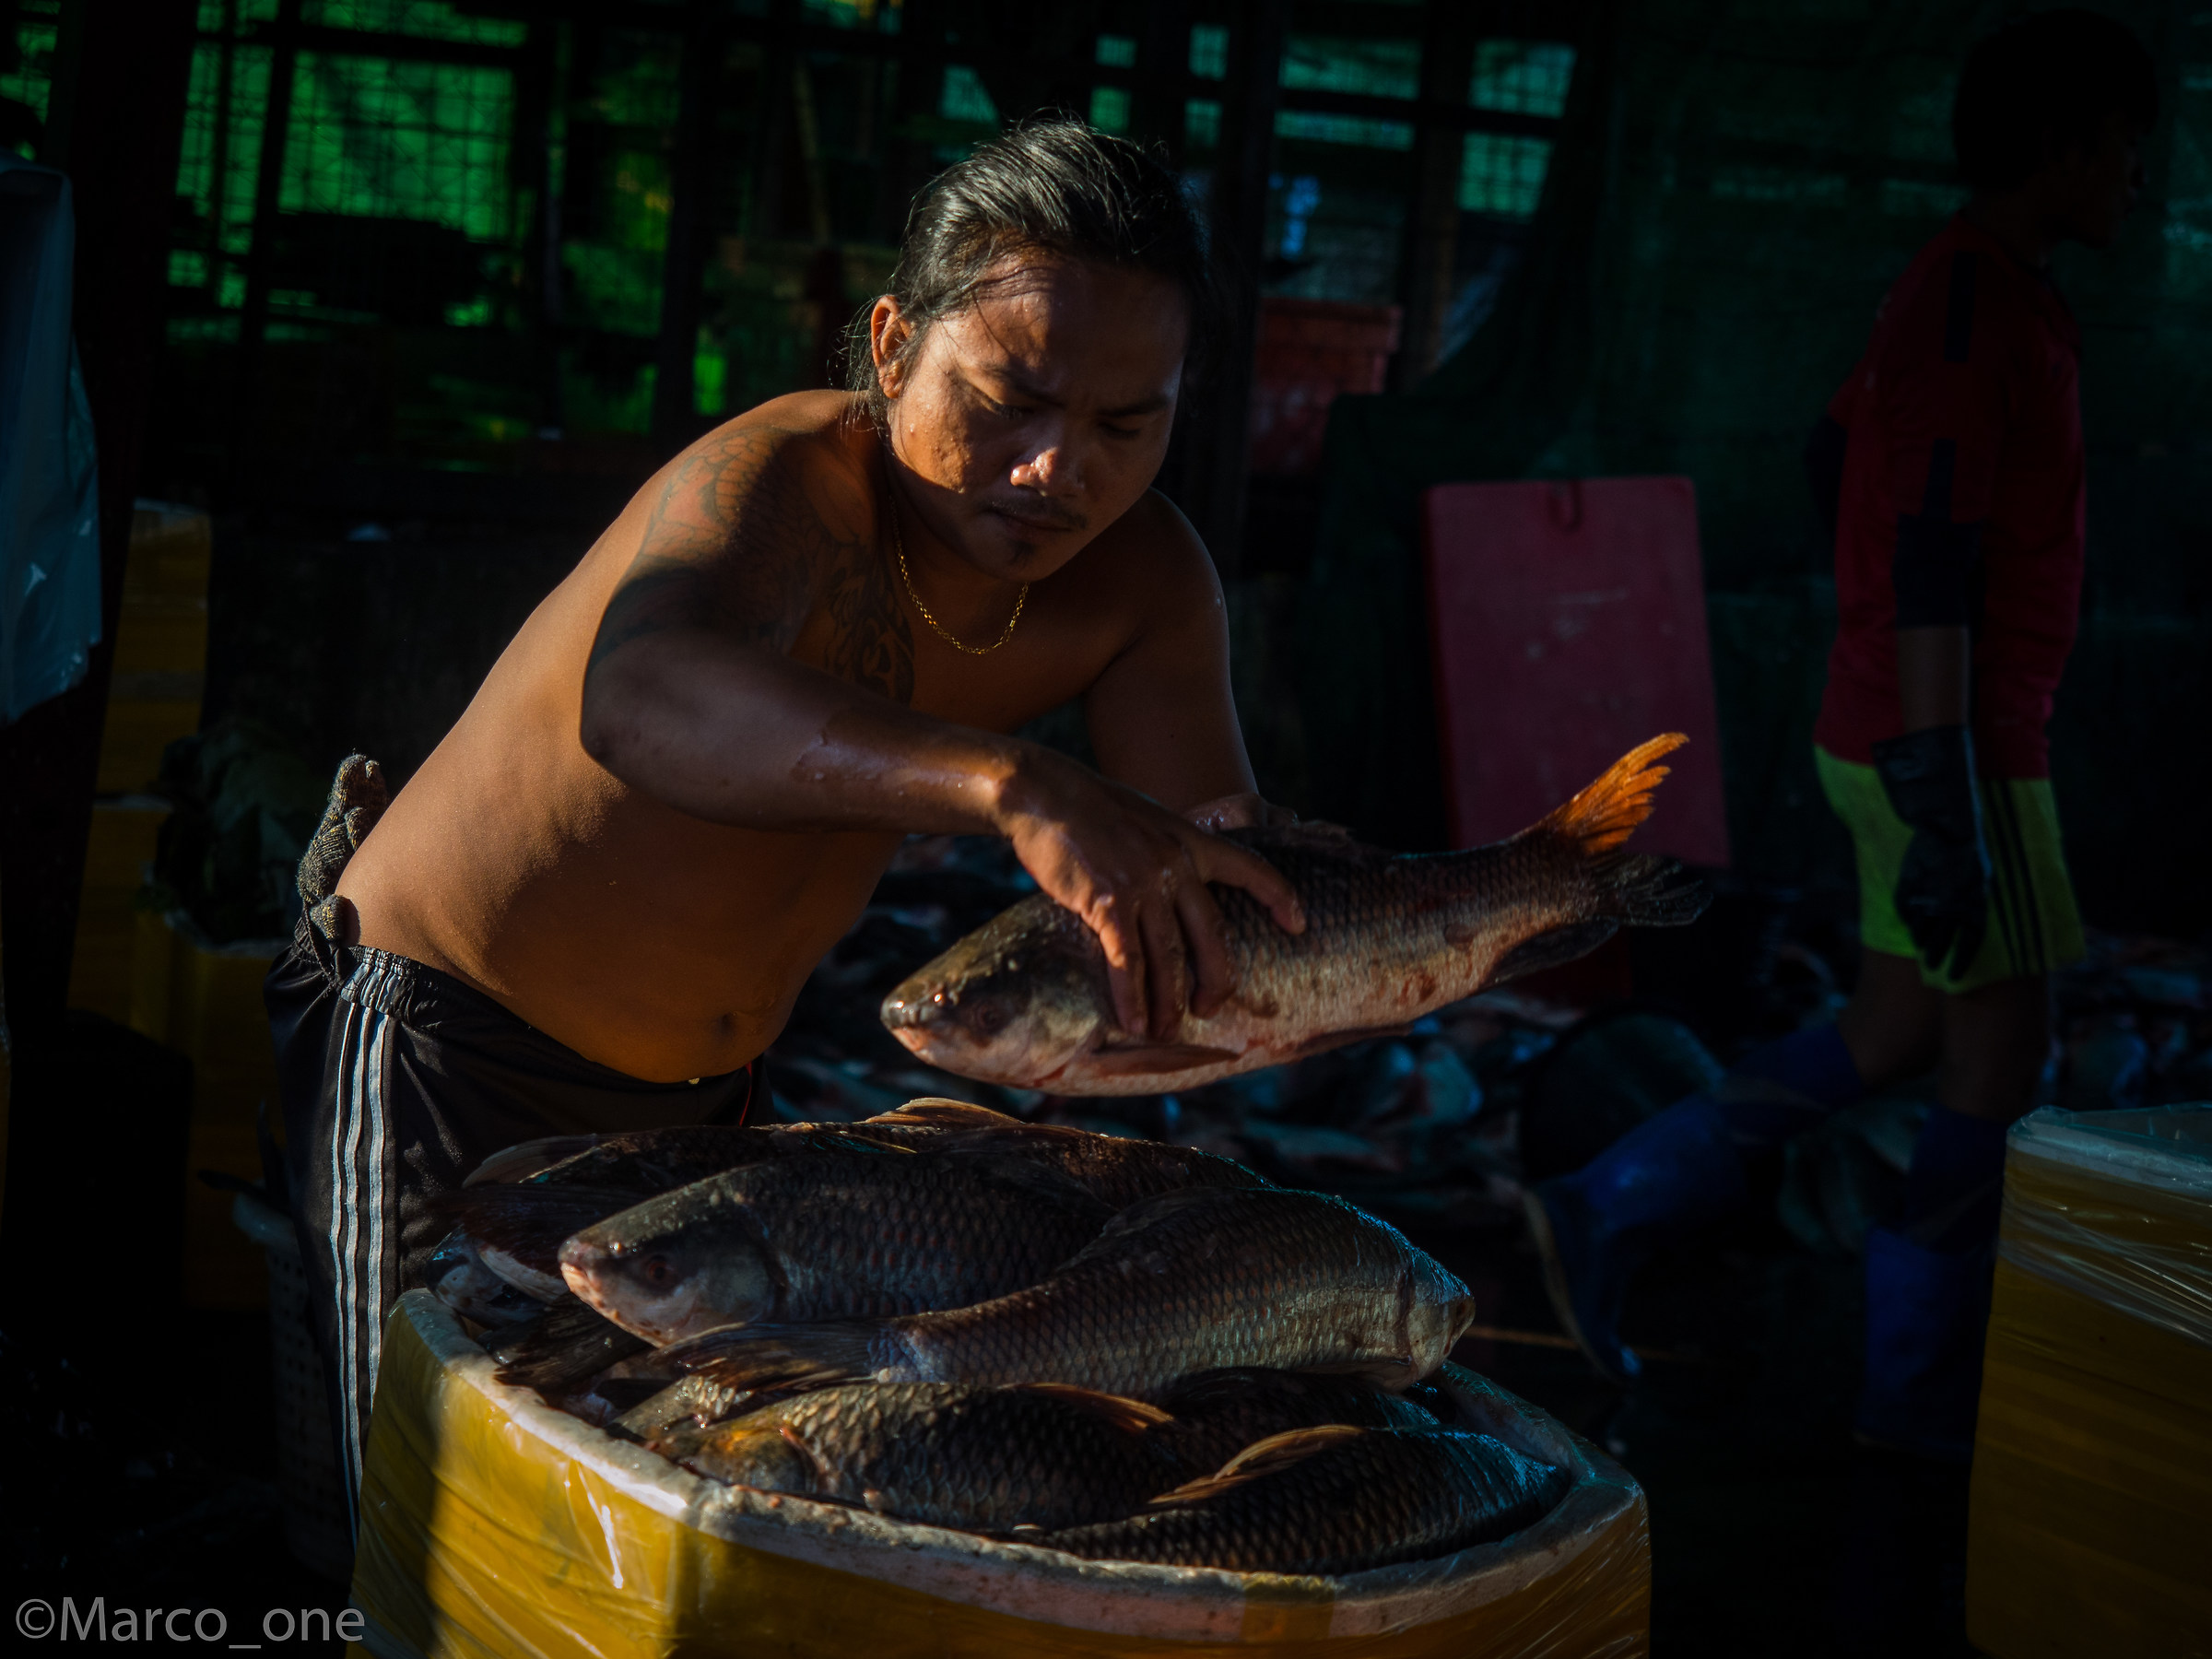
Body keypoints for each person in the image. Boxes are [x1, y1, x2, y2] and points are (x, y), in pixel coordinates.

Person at [265, 120, 1308, 1519]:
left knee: (621, 1505)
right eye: (1011, 398)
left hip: (709, 1119)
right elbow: (642, 701)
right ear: (890, 348)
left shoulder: (1145, 584)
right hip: (443, 1041)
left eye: (1130, 424)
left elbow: (1219, 881)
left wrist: (1405, 932)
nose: (1062, 468)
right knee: (406, 1510)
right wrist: (1016, 781)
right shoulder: (780, 483)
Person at [1524, 11, 2156, 1459]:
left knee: (1895, 1027)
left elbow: (1834, 453)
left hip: (1905, 725)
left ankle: (1611, 1196)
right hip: (1964, 751)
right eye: (2125, 147)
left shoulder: (1970, 290)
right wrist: (1943, 786)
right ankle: (1916, 1446)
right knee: (1996, 1071)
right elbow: (1932, 543)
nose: (2138, 177)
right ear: (2059, 147)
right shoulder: (1974, 306)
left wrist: (1878, 643)